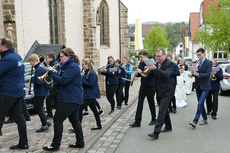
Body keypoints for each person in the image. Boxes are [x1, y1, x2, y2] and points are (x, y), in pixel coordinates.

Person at [43, 48, 84, 151]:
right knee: (74, 120)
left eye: (62, 57)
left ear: (68, 56)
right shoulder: (68, 66)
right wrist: (55, 72)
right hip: (71, 97)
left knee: (57, 120)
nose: (60, 59)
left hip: (69, 98)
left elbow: (64, 81)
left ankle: (55, 145)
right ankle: (80, 142)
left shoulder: (72, 66)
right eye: (60, 57)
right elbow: (63, 78)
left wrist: (52, 73)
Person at [0, 38, 28, 149]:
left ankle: (23, 142)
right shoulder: (17, 57)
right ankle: (23, 143)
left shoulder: (8, 59)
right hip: (17, 91)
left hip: (8, 92)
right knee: (19, 117)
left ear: (4, 46)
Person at [148, 49, 175, 140]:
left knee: (161, 110)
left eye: (159, 56)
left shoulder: (170, 64)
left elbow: (166, 75)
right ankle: (168, 126)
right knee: (164, 110)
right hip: (159, 90)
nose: (157, 58)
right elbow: (151, 76)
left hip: (168, 91)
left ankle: (156, 132)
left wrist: (155, 69)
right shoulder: (156, 64)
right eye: (157, 56)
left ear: (164, 55)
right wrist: (147, 70)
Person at [129, 50, 156, 127]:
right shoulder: (141, 63)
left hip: (150, 86)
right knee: (140, 103)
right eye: (140, 57)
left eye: (141, 57)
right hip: (143, 86)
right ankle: (137, 121)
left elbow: (150, 75)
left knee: (151, 103)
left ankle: (154, 119)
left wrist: (141, 71)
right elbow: (140, 75)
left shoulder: (151, 63)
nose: (140, 58)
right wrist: (137, 73)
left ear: (145, 56)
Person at [189, 48, 212, 128]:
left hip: (205, 86)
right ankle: (205, 119)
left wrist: (197, 74)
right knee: (200, 104)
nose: (198, 56)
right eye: (197, 55)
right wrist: (192, 71)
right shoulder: (196, 62)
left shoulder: (209, 62)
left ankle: (195, 121)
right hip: (198, 85)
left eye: (200, 55)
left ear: (204, 54)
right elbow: (194, 73)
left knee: (199, 103)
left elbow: (208, 74)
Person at [28, 54, 50, 133]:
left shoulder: (39, 68)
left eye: (31, 62)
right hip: (42, 91)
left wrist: (32, 79)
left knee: (39, 108)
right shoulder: (41, 66)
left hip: (40, 91)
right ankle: (46, 121)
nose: (30, 64)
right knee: (40, 107)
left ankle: (44, 124)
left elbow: (39, 81)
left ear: (34, 61)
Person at [79, 59, 102, 130]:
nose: (82, 66)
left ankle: (77, 127)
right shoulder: (86, 72)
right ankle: (99, 125)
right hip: (88, 94)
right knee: (94, 110)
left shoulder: (92, 73)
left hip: (90, 95)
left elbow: (91, 84)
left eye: (83, 64)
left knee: (79, 110)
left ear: (87, 65)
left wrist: (82, 80)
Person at [46, 54, 60, 118]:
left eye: (47, 58)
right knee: (55, 99)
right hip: (53, 84)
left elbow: (56, 73)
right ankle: (56, 113)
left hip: (53, 84)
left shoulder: (54, 64)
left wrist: (49, 71)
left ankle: (49, 114)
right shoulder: (53, 63)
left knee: (49, 99)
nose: (47, 59)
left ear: (51, 58)